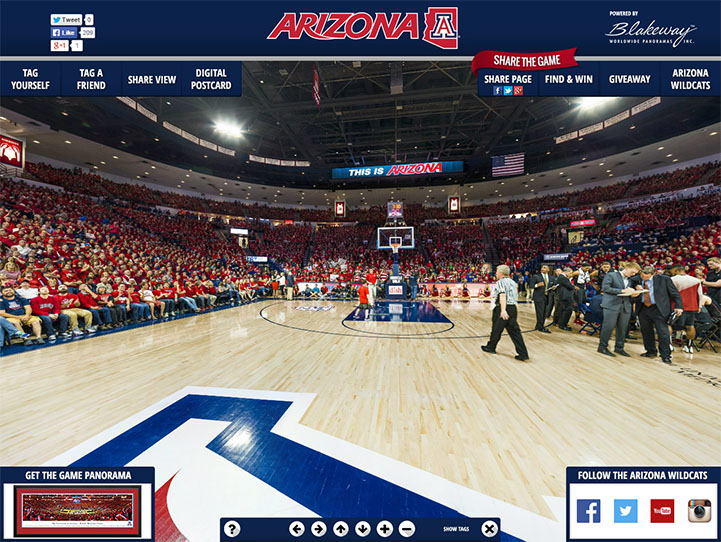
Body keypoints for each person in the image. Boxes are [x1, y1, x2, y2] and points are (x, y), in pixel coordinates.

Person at [631, 266, 683, 364]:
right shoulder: (635, 280)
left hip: (659, 309)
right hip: (643, 308)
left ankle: (665, 355)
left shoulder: (664, 279)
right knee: (646, 331)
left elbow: (675, 294)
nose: (643, 278)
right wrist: (635, 290)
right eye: (642, 276)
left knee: (663, 333)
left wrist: (679, 306)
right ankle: (650, 351)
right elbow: (631, 293)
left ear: (653, 274)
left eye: (646, 277)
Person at [481, 265, 529, 361]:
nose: (496, 273)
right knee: (515, 332)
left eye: (497, 271)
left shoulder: (500, 282)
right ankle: (523, 353)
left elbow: (502, 295)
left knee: (496, 329)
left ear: (501, 273)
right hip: (512, 308)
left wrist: (503, 310)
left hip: (503, 307)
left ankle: (491, 347)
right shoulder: (513, 282)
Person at [598, 262, 641, 357]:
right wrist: (622, 291)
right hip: (611, 305)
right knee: (608, 327)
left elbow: (628, 292)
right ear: (627, 267)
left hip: (625, 305)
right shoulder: (611, 275)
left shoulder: (630, 280)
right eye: (632, 272)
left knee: (622, 328)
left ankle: (619, 348)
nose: (633, 275)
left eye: (635, 274)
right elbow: (605, 288)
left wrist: (634, 293)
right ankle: (602, 347)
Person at [670, 265, 704, 353]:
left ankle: (669, 344)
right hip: (692, 306)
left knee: (669, 325)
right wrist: (699, 306)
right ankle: (689, 346)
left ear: (676, 270)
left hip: (676, 306)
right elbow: (700, 294)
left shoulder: (672, 279)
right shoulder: (696, 280)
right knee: (690, 326)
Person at [531, 264, 552, 333]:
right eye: (542, 267)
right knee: (540, 313)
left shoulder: (551, 277)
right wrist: (537, 285)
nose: (542, 269)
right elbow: (531, 285)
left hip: (547, 297)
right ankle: (541, 327)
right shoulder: (536, 276)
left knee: (544, 313)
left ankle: (539, 325)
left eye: (545, 267)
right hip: (539, 297)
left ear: (548, 270)